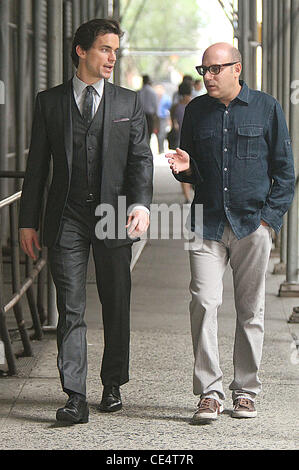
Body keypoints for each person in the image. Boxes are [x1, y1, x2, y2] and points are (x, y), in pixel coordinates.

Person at [19, 18, 153, 425]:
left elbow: (141, 160)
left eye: (115, 50)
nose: (112, 57)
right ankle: (74, 395)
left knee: (115, 302)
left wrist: (142, 205)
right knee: (70, 306)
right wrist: (28, 221)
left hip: (113, 214)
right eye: (104, 49)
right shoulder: (50, 102)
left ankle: (111, 383)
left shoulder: (128, 103)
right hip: (67, 216)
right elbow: (37, 166)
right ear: (81, 51)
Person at [166, 42, 295, 423]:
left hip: (251, 224)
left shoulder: (268, 108)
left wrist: (268, 221)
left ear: (237, 69)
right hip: (206, 223)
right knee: (204, 303)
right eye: (204, 69)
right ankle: (210, 392)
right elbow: (190, 170)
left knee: (250, 310)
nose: (208, 76)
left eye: (216, 69)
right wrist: (185, 170)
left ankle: (246, 391)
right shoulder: (195, 112)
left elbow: (285, 173)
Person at [170, 82, 193, 203]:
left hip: (181, 141)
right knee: (192, 167)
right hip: (194, 141)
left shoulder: (176, 107)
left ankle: (187, 196)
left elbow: (174, 124)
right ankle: (190, 193)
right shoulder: (196, 104)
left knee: (183, 169)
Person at [138, 75, 159, 143]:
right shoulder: (152, 92)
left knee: (141, 136)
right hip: (150, 116)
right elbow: (156, 106)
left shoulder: (139, 92)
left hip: (140, 116)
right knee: (149, 135)